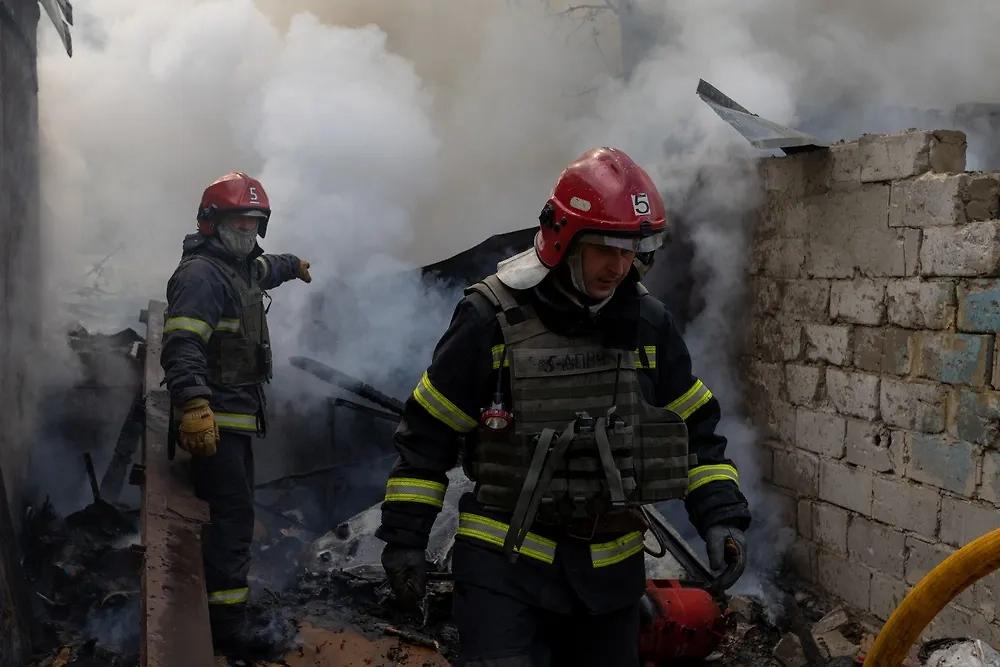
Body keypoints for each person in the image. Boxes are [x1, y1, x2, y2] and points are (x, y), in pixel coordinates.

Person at [376, 148, 751, 666]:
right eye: (605, 249)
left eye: (631, 251)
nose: (619, 267)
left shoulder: (647, 323)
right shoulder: (488, 319)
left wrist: (721, 516)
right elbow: (427, 436)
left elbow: (697, 429)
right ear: (564, 239)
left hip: (609, 577)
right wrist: (405, 541)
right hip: (503, 570)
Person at [160, 171, 311, 655]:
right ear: (211, 222)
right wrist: (194, 404)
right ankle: (227, 626)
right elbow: (182, 344)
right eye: (238, 222)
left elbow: (265, 268)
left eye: (254, 222)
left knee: (234, 511)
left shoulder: (238, 266)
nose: (247, 231)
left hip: (237, 416)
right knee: (232, 516)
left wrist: (293, 265)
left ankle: (223, 609)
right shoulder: (201, 277)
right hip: (216, 418)